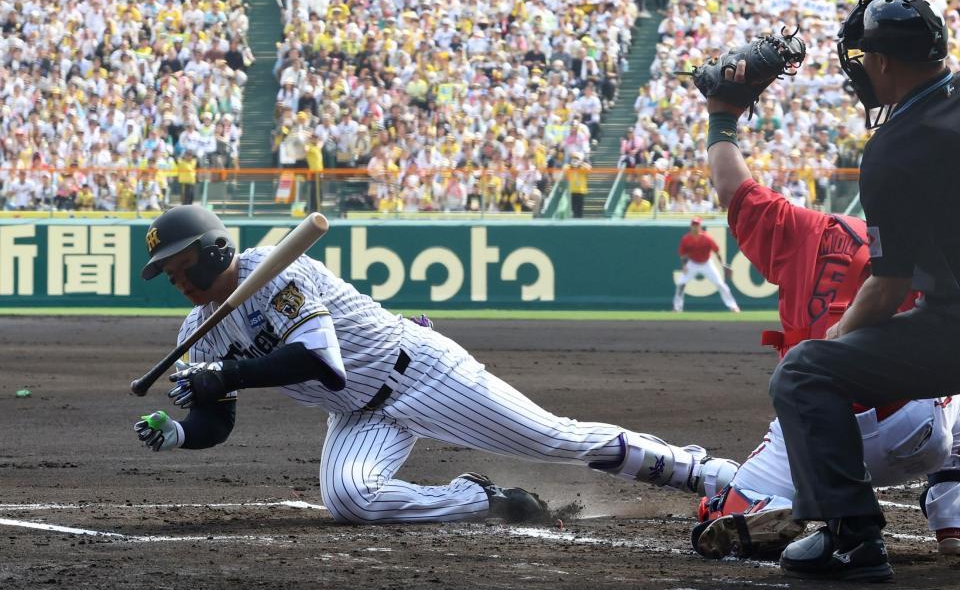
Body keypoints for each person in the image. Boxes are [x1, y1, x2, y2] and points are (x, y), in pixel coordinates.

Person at [132, 205, 739, 524]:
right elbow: (219, 420)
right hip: (360, 416)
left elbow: (321, 363)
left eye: (179, 265)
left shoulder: (278, 270)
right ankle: (483, 500)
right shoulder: (198, 332)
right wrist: (182, 432)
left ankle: (707, 476)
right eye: (167, 273)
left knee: (556, 441)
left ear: (214, 251)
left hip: (421, 373)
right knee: (350, 500)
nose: (175, 279)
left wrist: (226, 375)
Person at [685, 55, 960, 564]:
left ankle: (766, 505)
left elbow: (732, 188)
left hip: (816, 432)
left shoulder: (801, 229)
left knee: (721, 508)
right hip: (916, 428)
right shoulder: (922, 240)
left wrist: (722, 115)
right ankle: (953, 507)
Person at [673, 217, 740, 313]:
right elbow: (683, 254)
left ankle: (733, 306)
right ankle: (677, 308)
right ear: (691, 226)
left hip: (707, 263)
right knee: (680, 284)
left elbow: (717, 251)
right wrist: (684, 266)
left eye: (697, 225)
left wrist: (722, 264)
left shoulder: (707, 238)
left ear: (700, 226)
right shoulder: (686, 239)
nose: (695, 227)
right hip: (692, 263)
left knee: (720, 284)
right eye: (693, 225)